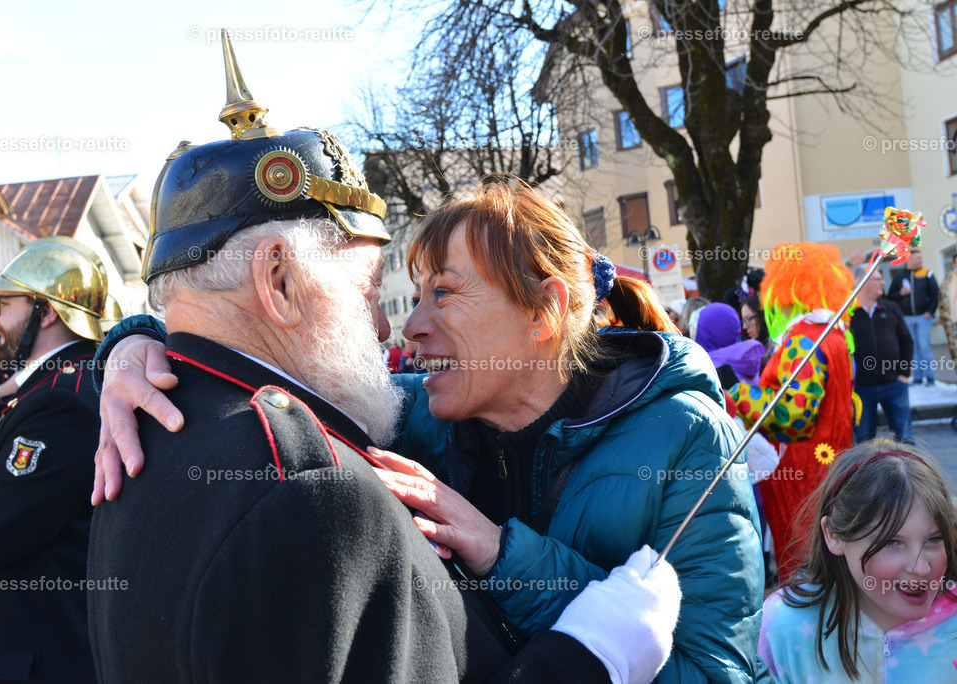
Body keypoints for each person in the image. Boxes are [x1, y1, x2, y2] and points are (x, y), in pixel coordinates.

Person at [88, 35, 679, 684]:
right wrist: (587, 660)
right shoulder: (309, 489)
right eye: (367, 288)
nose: (383, 325)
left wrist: (127, 344)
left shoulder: (139, 427)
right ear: (279, 280)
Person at [96, 179, 770, 681]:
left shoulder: (689, 442)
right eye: (412, 295)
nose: (406, 327)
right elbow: (237, 328)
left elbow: (714, 673)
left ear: (543, 311)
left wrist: (505, 555)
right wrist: (133, 346)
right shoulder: (418, 414)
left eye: (443, 293)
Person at [0, 236, 105, 683]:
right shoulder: (52, 392)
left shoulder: (61, 403)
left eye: (4, 304)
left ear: (46, 311)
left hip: (23, 664)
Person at [758, 439, 957, 681]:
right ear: (833, 536)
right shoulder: (782, 627)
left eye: (934, 539)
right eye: (891, 542)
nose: (921, 568)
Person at [730, 242, 857, 582]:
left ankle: (806, 630)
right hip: (827, 467)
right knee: (828, 559)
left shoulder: (805, 338)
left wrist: (737, 396)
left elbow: (792, 413)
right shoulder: (831, 334)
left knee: (806, 566)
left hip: (803, 476)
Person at [849, 265, 913, 443]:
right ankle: (867, 472)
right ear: (863, 282)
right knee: (864, 441)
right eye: (878, 279)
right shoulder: (847, 312)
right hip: (861, 388)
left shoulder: (891, 308)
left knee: (905, 438)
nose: (883, 282)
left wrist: (904, 375)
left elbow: (907, 340)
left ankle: (912, 471)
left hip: (894, 384)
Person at [887, 248, 939, 385]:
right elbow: (890, 296)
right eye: (917, 258)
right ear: (908, 260)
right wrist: (901, 293)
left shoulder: (927, 274)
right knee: (913, 348)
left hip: (923, 317)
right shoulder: (899, 277)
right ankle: (917, 378)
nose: (920, 260)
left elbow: (935, 295)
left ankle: (930, 377)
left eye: (920, 258)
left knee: (925, 347)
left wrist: (930, 312)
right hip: (906, 318)